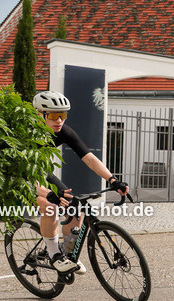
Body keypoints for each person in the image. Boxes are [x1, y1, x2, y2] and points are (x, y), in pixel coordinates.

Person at [33, 91, 129, 273]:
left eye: (63, 115)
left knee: (75, 206)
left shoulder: (63, 131)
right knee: (50, 207)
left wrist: (112, 179)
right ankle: (54, 255)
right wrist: (48, 194)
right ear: (39, 114)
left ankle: (67, 254)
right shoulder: (26, 134)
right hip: (20, 178)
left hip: (42, 173)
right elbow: (22, 172)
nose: (59, 121)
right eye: (53, 116)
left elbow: (89, 158)